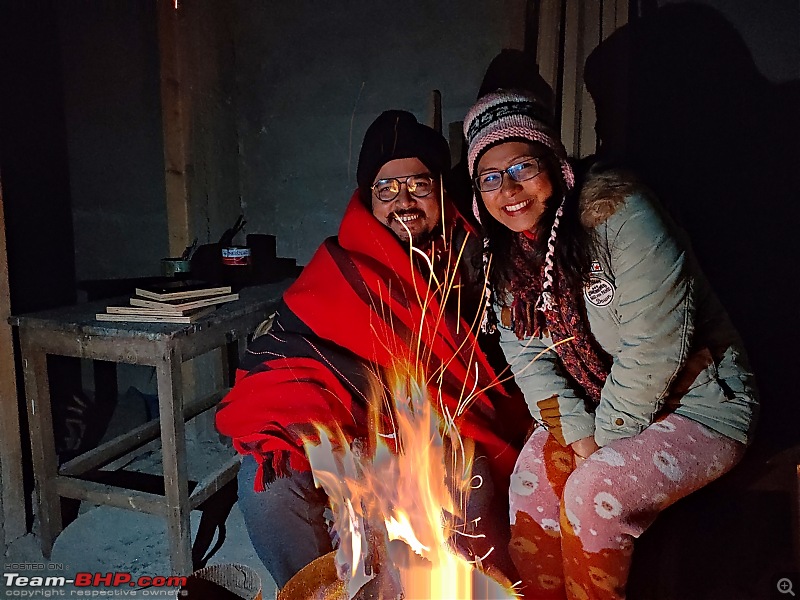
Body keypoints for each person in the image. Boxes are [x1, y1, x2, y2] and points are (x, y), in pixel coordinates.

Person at [461, 89, 759, 599]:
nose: (508, 189)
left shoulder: (618, 215)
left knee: (593, 492)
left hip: (699, 401)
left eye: (522, 167)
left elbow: (657, 343)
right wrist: (577, 433)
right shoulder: (505, 257)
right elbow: (530, 363)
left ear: (555, 163)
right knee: (530, 488)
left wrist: (603, 440)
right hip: (598, 407)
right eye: (490, 177)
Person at [215, 110, 530, 590]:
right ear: (368, 199)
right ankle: (317, 591)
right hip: (342, 428)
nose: (403, 201)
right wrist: (342, 439)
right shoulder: (339, 267)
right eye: (386, 189)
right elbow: (290, 359)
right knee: (266, 490)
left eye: (418, 185)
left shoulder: (474, 258)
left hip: (436, 429)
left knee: (475, 480)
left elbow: (485, 370)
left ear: (441, 191)